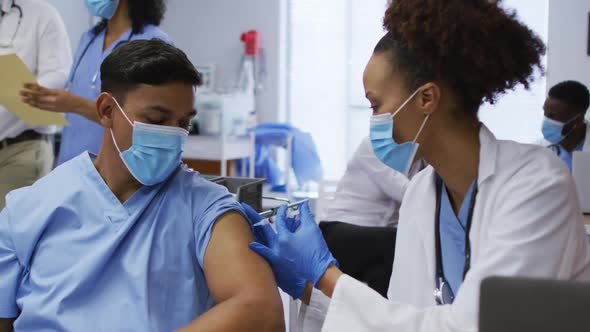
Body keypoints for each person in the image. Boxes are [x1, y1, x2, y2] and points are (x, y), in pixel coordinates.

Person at [242, 1, 590, 331]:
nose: (374, 120)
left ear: (426, 98)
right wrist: (309, 290)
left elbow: (479, 324)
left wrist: (327, 276)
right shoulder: (423, 195)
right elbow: (404, 319)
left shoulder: (537, 185)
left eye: (375, 104)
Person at [0, 40, 284, 332]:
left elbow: (260, 311)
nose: (173, 135)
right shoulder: (30, 208)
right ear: (107, 110)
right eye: (157, 120)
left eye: (183, 123)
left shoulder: (206, 207)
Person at [21, 0, 170, 166]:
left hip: (116, 171)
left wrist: (75, 105)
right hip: (72, 165)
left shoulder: (152, 42)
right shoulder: (89, 38)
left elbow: (145, 125)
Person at [317, 137, 425, 296]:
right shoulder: (374, 147)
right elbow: (407, 192)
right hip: (338, 234)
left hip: (377, 246)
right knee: (401, 242)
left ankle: (385, 318)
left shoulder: (420, 158)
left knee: (381, 274)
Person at [0, 0, 71, 209]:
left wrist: (12, 95)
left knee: (9, 234)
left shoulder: (42, 14)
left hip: (20, 148)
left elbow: (58, 75)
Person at [538, 80, 589, 170]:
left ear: (578, 120)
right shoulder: (538, 149)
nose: (546, 120)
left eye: (552, 115)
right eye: (544, 113)